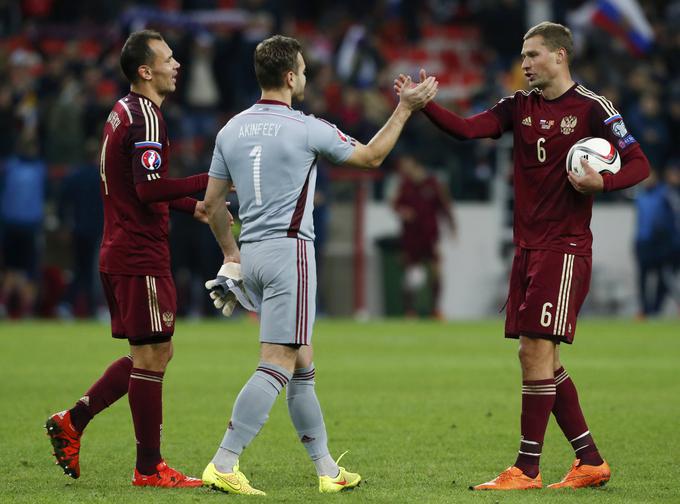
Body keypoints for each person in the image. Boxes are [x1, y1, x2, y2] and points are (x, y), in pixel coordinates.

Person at [396, 21, 650, 490]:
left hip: (565, 247)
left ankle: (526, 469)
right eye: (522, 55)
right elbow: (469, 130)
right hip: (528, 248)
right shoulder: (519, 105)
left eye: (532, 55)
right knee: (539, 358)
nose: (525, 63)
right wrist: (425, 105)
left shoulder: (594, 109)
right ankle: (589, 461)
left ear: (559, 56)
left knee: (535, 351)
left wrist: (603, 182)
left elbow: (639, 162)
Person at [201, 35, 437, 495]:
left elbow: (212, 206)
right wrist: (405, 109)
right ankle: (224, 462)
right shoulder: (306, 127)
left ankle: (327, 470)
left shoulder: (230, 129)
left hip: (252, 254)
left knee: (302, 361)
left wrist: (231, 254)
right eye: (304, 71)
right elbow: (371, 155)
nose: (306, 77)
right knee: (278, 362)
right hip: (291, 253)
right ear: (290, 77)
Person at [45, 30, 215, 488]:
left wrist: (189, 207)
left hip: (121, 247)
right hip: (139, 253)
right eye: (168, 57)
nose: (176, 63)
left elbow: (134, 184)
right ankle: (148, 467)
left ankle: (74, 421)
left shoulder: (122, 111)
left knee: (152, 351)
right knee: (153, 353)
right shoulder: (147, 117)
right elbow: (146, 188)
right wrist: (208, 180)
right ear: (146, 70)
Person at [392, 154, 455, 318]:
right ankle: (409, 311)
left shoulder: (433, 184)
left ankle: (436, 309)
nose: (403, 170)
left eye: (406, 165)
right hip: (411, 238)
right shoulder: (405, 185)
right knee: (413, 275)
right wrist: (403, 211)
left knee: (436, 272)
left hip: (430, 237)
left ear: (415, 165)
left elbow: (445, 206)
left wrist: (452, 228)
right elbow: (395, 204)